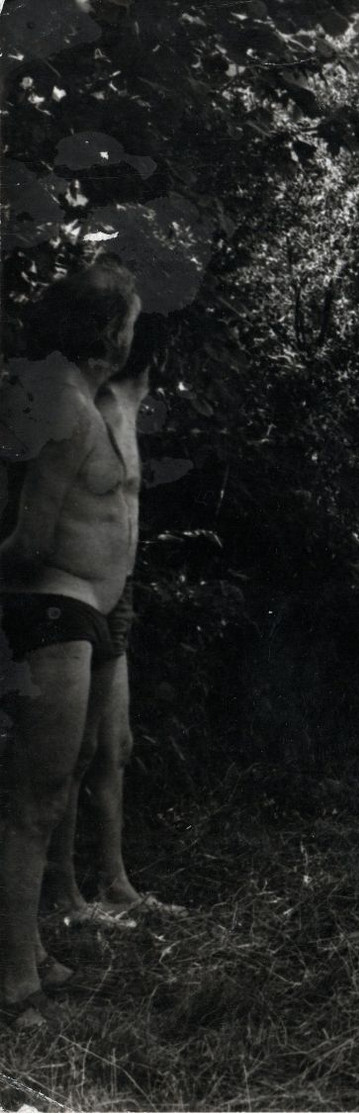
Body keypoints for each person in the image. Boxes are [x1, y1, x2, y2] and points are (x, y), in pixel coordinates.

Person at [0, 255, 140, 1028]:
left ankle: (27, 955)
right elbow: (28, 542)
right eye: (127, 321)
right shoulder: (60, 400)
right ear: (106, 330)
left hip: (78, 616)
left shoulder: (82, 399)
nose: (131, 337)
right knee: (32, 802)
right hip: (50, 611)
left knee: (46, 798)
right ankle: (15, 982)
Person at [42, 349, 181, 928]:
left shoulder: (130, 405)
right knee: (74, 755)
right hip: (79, 597)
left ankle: (115, 879)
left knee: (115, 746)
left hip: (116, 596)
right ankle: (66, 894)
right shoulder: (94, 405)